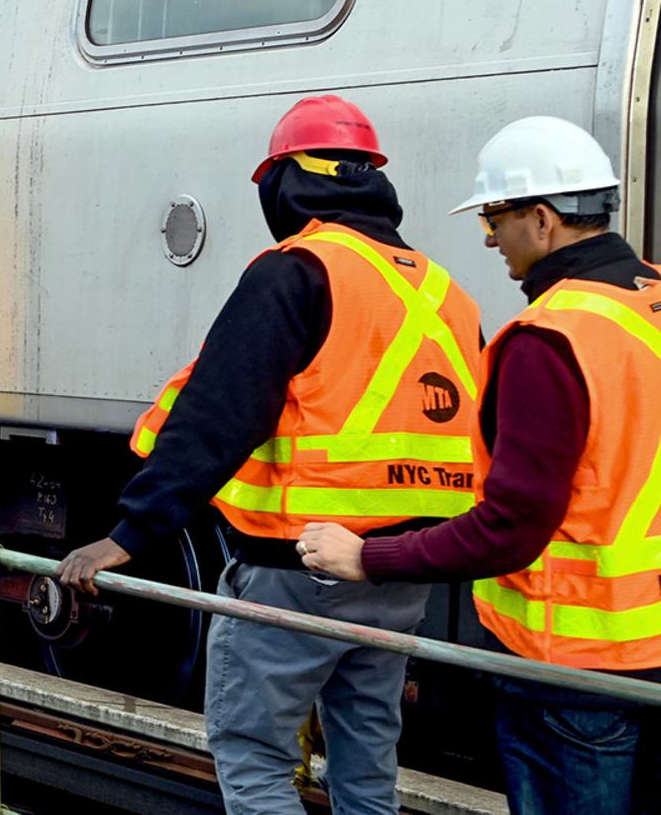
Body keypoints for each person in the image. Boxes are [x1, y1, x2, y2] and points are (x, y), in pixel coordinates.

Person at [59, 95, 485, 815]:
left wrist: (130, 534)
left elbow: (216, 417)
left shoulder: (296, 271)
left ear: (284, 182)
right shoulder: (446, 293)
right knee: (366, 761)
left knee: (255, 759)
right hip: (401, 572)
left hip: (299, 573)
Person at [299, 116, 660, 815]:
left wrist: (368, 557)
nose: (491, 238)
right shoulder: (648, 304)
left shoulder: (552, 338)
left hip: (575, 667)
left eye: (496, 217)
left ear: (543, 218)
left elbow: (511, 527)